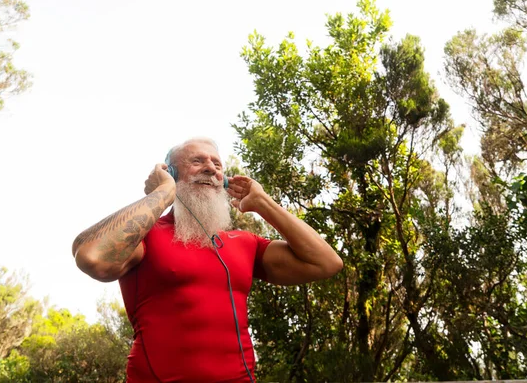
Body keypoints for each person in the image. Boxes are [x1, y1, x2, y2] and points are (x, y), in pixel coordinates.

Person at [72, 137, 343, 383]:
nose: (211, 168)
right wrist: (164, 193)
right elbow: (92, 257)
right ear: (172, 173)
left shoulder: (245, 243)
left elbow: (326, 263)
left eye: (217, 164)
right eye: (197, 161)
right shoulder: (146, 236)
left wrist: (263, 203)